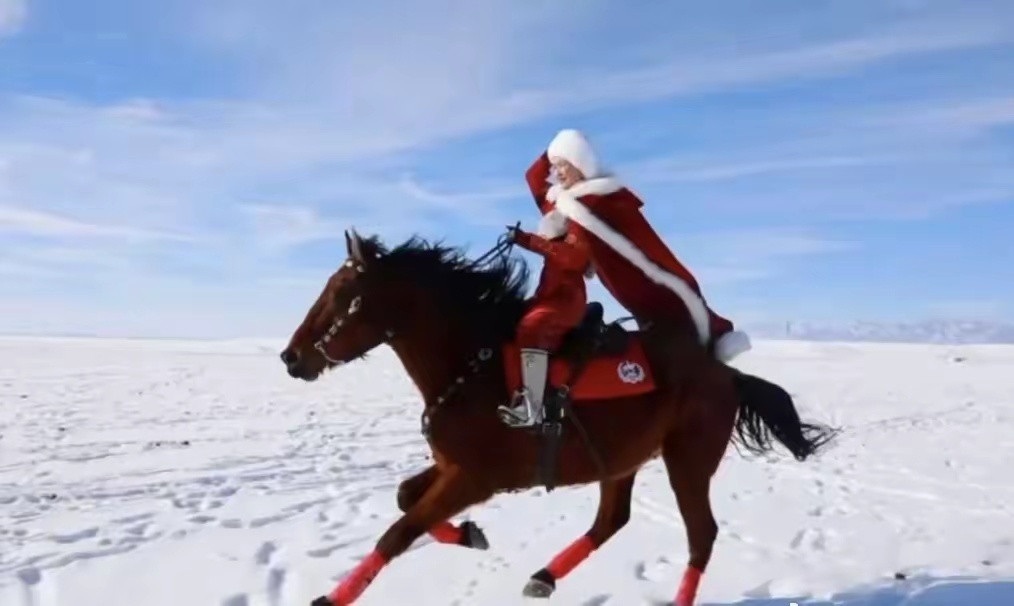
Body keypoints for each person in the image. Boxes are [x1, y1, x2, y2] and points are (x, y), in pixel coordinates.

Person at [523, 128, 752, 362]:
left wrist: (528, 240)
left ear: (580, 164)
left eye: (563, 165)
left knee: (675, 325)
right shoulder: (566, 203)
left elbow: (583, 256)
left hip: (639, 281)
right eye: (555, 165)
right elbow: (534, 176)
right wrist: (559, 146)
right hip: (620, 284)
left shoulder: (599, 201)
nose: (557, 172)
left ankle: (709, 350)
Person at [496, 209, 593, 428]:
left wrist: (525, 239)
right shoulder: (555, 252)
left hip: (566, 305)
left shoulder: (571, 249)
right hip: (551, 302)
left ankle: (532, 408)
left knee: (531, 327)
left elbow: (563, 254)